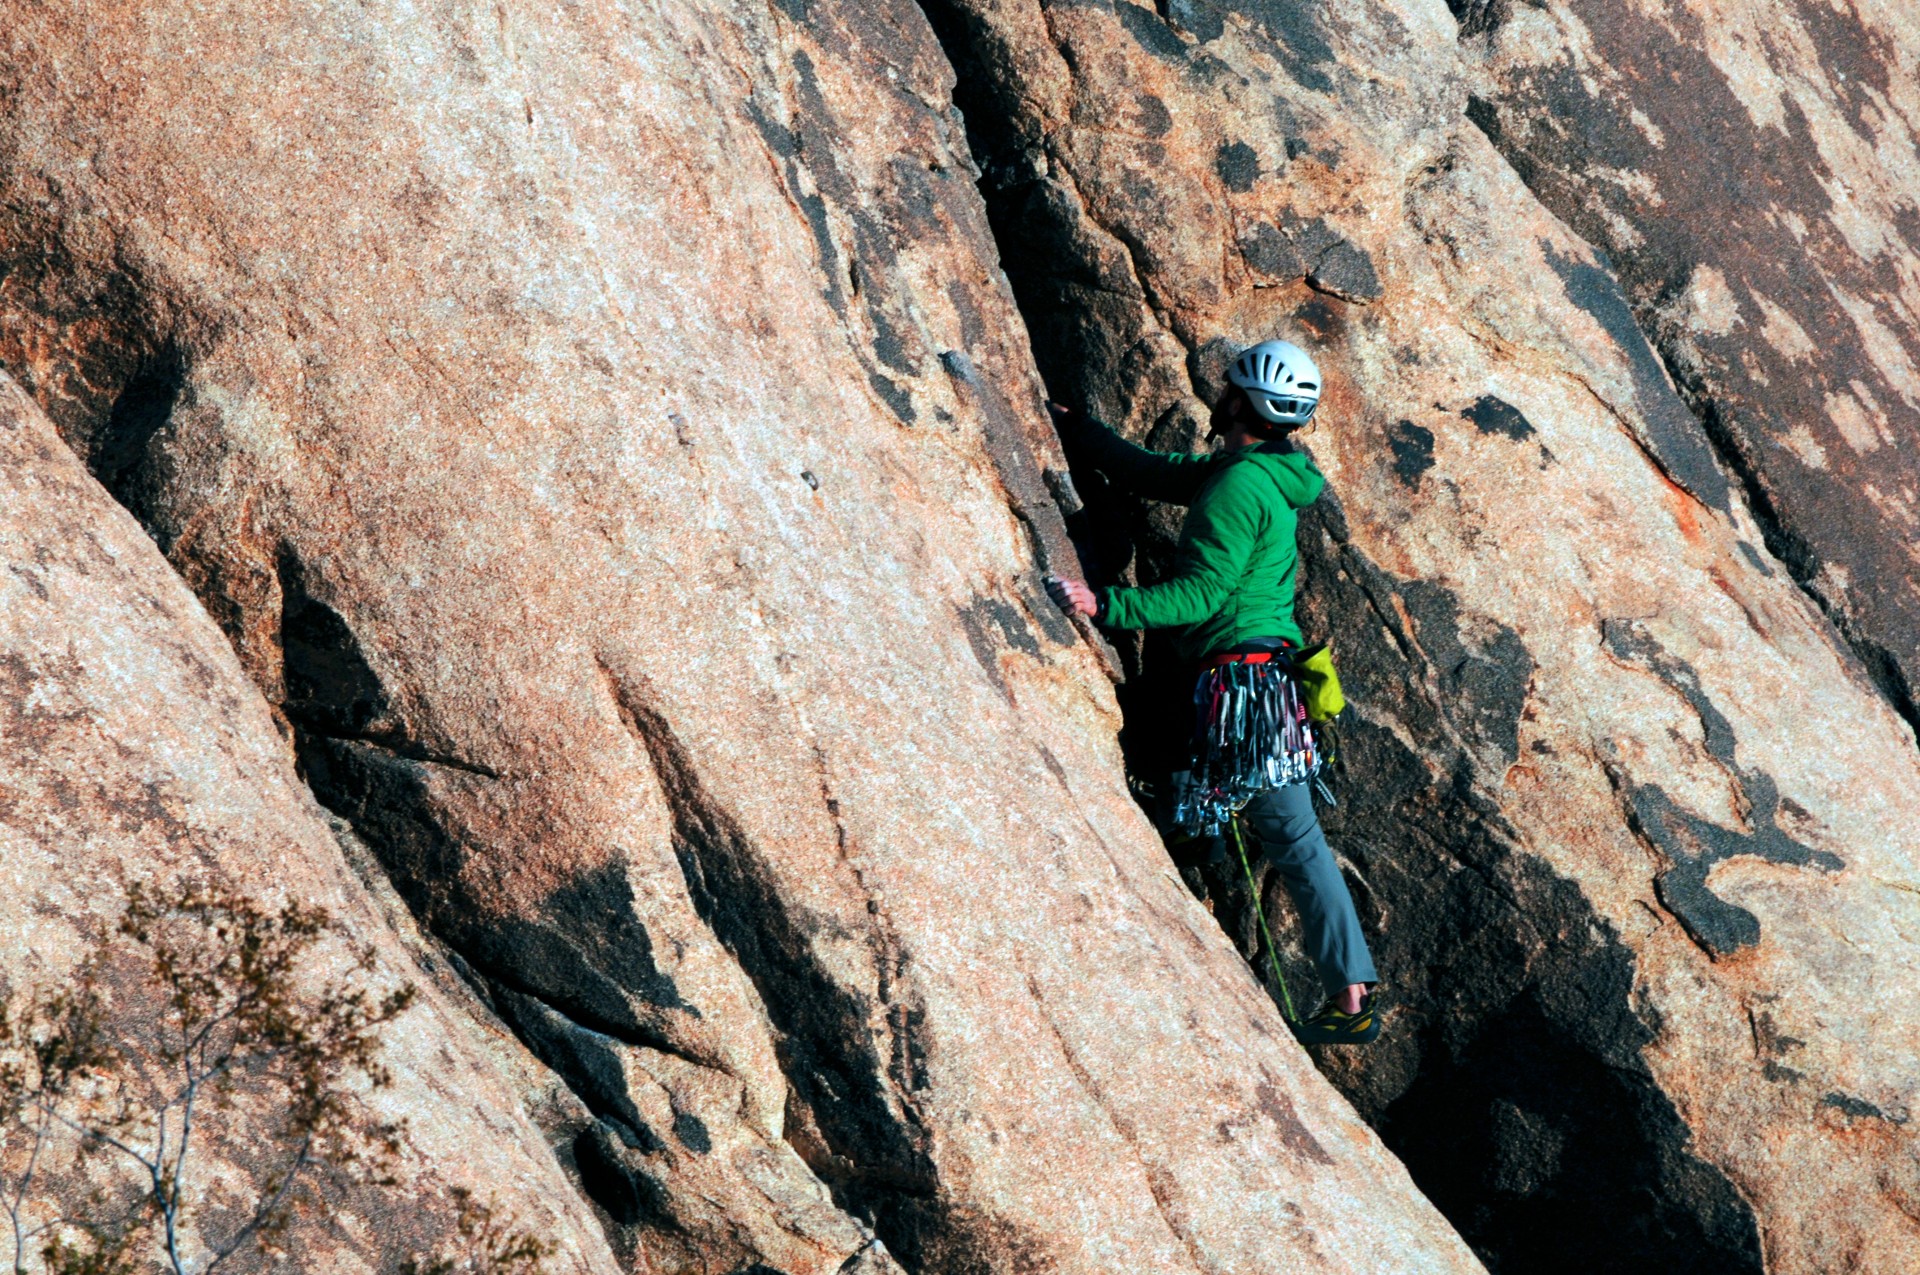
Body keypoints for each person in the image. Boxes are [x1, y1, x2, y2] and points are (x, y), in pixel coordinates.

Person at [1044, 339, 1380, 1045]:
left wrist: (1106, 605)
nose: (1217, 393)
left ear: (1245, 404)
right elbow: (1158, 471)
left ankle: (1351, 1000)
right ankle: (1346, 994)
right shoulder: (1252, 471)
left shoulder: (1238, 485)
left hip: (1239, 686)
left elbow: (1202, 593)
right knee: (1270, 831)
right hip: (1251, 680)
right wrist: (1081, 431)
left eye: (1228, 387)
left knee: (1285, 833)